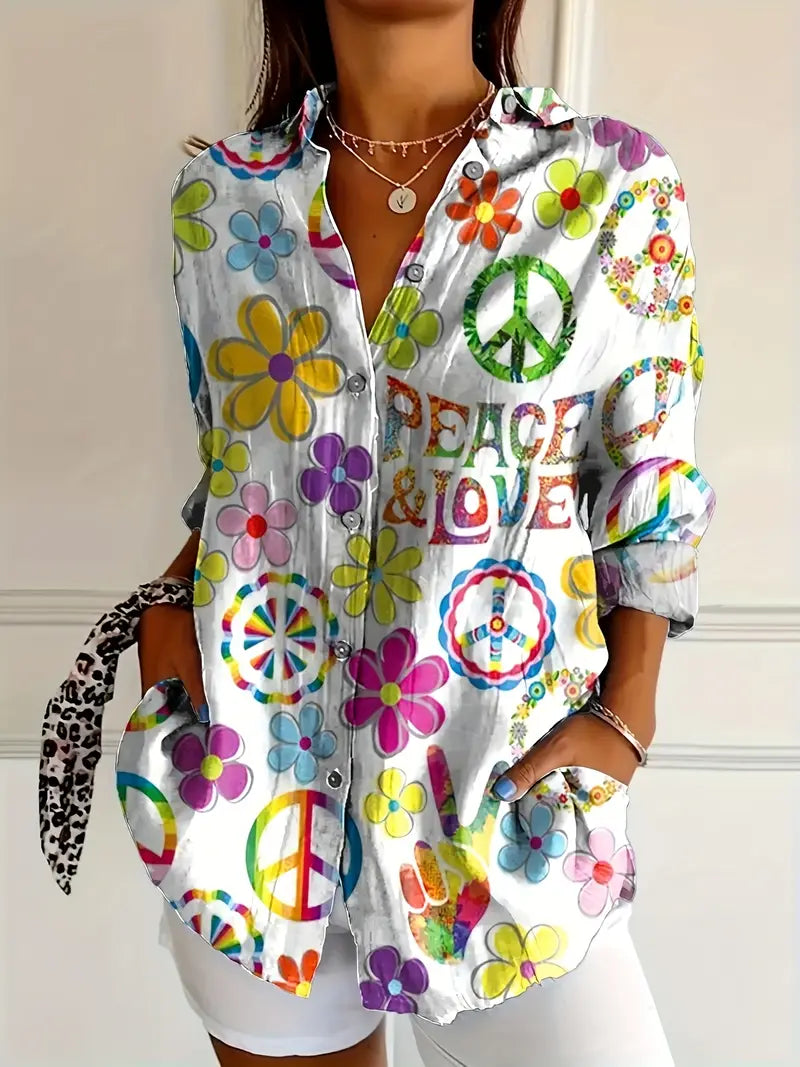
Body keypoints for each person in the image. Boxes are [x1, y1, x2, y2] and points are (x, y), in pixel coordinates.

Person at [39, 1, 715, 1064]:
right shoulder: (221, 197)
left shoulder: (609, 186)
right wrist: (168, 632)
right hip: (254, 805)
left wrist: (628, 714)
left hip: (503, 814)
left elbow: (652, 486)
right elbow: (242, 472)